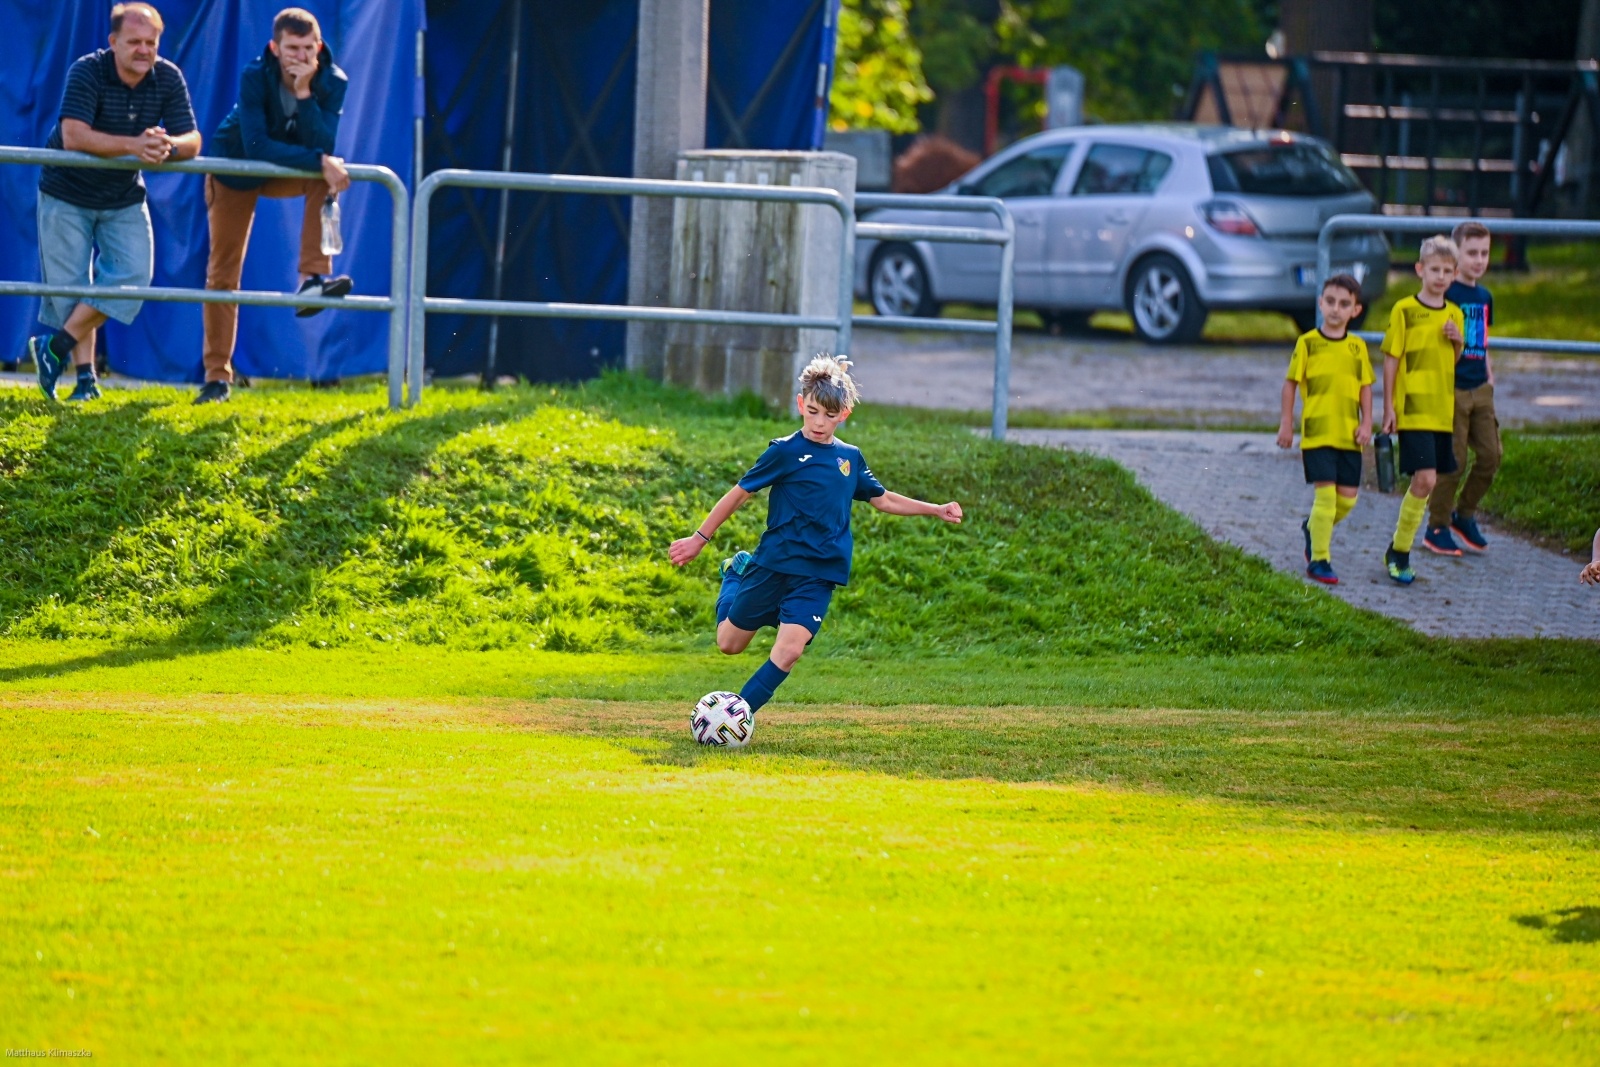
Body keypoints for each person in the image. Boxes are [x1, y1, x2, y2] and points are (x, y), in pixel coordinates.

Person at [667, 356, 963, 716]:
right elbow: (740, 493)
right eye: (812, 412)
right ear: (800, 405)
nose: (819, 422)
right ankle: (735, 572)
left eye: (829, 414)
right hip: (775, 563)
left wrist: (934, 508)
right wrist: (700, 537)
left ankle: (736, 716)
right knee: (729, 644)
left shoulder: (850, 459)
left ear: (844, 415)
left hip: (819, 572)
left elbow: (882, 499)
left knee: (790, 650)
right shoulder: (784, 451)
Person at [26, 3, 200, 403]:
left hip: (122, 195)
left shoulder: (168, 76)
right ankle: (85, 381)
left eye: (151, 42)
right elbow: (74, 136)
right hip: (65, 192)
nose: (144, 50)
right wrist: (135, 146)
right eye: (134, 41)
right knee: (71, 290)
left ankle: (53, 349)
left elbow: (193, 139)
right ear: (113, 42)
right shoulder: (87, 69)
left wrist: (167, 145)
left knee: (133, 278)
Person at [200, 6, 352, 404]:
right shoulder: (254, 74)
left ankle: (313, 281)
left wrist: (304, 94)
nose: (299, 56)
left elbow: (324, 144)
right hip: (234, 170)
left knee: (328, 171)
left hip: (283, 168)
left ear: (318, 47)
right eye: (291, 48)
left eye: (307, 48)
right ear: (274, 47)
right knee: (223, 274)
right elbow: (254, 146)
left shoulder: (333, 81)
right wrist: (318, 158)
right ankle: (217, 378)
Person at [1277, 274, 1372, 585]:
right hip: (1317, 434)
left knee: (1347, 500)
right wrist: (1287, 424)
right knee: (1326, 498)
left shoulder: (1358, 347)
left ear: (1355, 310)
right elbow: (1290, 385)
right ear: (1320, 303)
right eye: (1330, 301)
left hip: (1349, 435)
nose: (1335, 309)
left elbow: (1365, 389)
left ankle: (1312, 528)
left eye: (1344, 304)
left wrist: (1367, 422)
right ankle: (1319, 560)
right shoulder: (1307, 344)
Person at [1381, 236, 1465, 585]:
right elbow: (1391, 359)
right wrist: (1388, 406)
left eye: (1448, 271)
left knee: (1427, 482)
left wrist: (1457, 341)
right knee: (1426, 478)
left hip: (1441, 410)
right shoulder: (1404, 310)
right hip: (1412, 409)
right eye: (1435, 269)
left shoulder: (1454, 313)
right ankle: (1400, 551)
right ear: (1420, 270)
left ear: (1454, 274)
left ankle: (1398, 549)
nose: (1441, 276)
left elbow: (1452, 360)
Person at [1424, 220, 1499, 554]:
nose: (1479, 260)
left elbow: (1484, 340)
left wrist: (1489, 371)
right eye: (1471, 253)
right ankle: (1436, 526)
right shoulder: (1447, 292)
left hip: (1480, 388)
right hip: (1452, 390)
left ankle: (1463, 515)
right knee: (1452, 461)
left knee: (1491, 456)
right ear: (1457, 255)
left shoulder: (1484, 297)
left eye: (1484, 253)